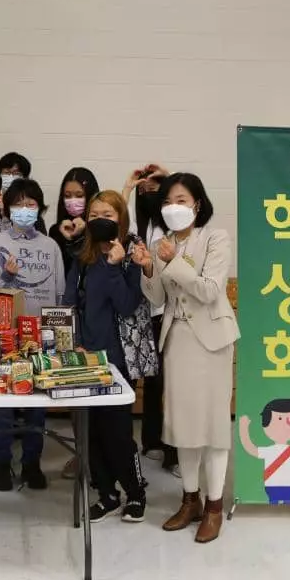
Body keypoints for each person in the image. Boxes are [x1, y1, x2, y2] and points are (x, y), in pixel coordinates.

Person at [135, 172, 240, 543]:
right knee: (184, 427)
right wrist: (149, 266)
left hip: (212, 340)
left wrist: (174, 259)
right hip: (177, 337)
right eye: (167, 202)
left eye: (181, 200)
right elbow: (158, 298)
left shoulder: (215, 238)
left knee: (212, 427)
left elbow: (210, 291)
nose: (173, 208)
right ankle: (189, 500)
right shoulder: (164, 242)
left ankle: (214, 507)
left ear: (197, 203)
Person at [64, 190, 150, 524]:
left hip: (119, 361)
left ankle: (135, 491)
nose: (101, 220)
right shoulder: (82, 258)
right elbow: (70, 302)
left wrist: (115, 267)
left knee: (117, 433)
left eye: (109, 215)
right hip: (86, 358)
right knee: (90, 432)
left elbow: (128, 304)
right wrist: (76, 343)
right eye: (96, 214)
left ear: (121, 220)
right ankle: (107, 494)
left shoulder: (130, 257)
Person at [0, 179, 64, 491]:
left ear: (40, 208)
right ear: (7, 208)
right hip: (4, 337)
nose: (25, 210)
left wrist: (57, 337)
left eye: (31, 204)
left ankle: (32, 462)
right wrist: (6, 275)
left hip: (40, 337)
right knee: (2, 401)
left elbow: (58, 294)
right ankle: (1, 462)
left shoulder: (50, 246)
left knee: (36, 404)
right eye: (18, 204)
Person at [123, 165, 177, 474]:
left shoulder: (171, 227)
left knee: (159, 382)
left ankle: (158, 442)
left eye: (156, 190)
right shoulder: (134, 227)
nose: (149, 194)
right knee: (131, 379)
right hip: (132, 314)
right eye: (144, 191)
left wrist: (166, 178)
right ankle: (131, 443)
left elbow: (180, 199)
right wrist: (130, 185)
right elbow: (116, 212)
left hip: (161, 314)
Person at [49, 167, 99, 277]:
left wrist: (84, 233)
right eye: (67, 196)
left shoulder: (98, 230)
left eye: (79, 195)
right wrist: (69, 239)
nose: (73, 200)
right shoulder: (55, 231)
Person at [0, 152, 47, 233]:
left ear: (25, 178)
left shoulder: (31, 211)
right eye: (6, 173)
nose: (11, 177)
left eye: (16, 173)